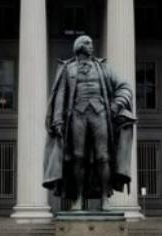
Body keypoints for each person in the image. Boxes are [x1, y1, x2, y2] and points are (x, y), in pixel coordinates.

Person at [43, 35, 135, 210]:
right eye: (87, 43)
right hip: (77, 114)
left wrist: (115, 106)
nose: (91, 46)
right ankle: (77, 199)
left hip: (100, 114)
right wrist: (57, 120)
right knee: (78, 158)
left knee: (103, 157)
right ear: (79, 46)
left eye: (92, 43)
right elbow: (60, 95)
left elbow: (124, 87)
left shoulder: (103, 67)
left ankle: (105, 199)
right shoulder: (67, 68)